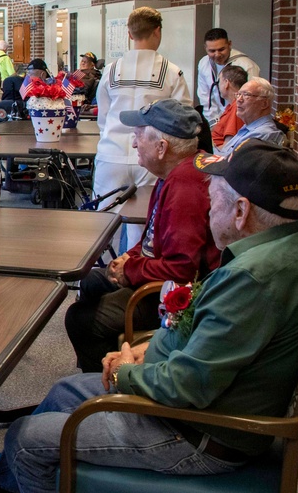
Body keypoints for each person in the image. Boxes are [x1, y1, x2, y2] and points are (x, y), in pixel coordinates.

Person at [0, 139, 298, 493]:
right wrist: (149, 350)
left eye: (213, 201)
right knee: (66, 389)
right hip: (214, 408)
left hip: (201, 434)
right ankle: (1, 484)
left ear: (242, 211)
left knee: (25, 440)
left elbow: (188, 386)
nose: (208, 209)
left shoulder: (252, 280)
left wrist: (125, 371)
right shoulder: (292, 249)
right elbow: (212, 345)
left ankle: (10, 475)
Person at [65, 99, 220, 373]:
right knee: (90, 280)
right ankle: (108, 356)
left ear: (162, 148)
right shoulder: (175, 172)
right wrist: (130, 256)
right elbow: (154, 235)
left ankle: (105, 389)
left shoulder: (186, 187)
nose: (134, 143)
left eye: (138, 135)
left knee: (80, 319)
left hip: (176, 296)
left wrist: (132, 269)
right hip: (159, 277)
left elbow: (183, 268)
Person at [94, 7, 192, 250]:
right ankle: (133, 282)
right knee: (142, 230)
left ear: (129, 34)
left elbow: (103, 116)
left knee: (102, 229)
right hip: (152, 158)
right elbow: (182, 121)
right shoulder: (171, 72)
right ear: (158, 32)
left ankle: (94, 282)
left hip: (111, 154)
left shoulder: (111, 70)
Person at [196, 27, 260, 127]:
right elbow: (205, 96)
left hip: (241, 121)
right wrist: (214, 124)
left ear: (229, 44)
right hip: (216, 122)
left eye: (221, 49)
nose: (217, 55)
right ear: (205, 48)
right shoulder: (204, 63)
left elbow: (253, 101)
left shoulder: (247, 66)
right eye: (212, 51)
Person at [217, 78, 285, 156]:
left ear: (264, 104)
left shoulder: (262, 134)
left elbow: (229, 164)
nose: (239, 100)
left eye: (246, 95)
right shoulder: (249, 126)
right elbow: (225, 154)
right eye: (238, 94)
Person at [210, 64, 249, 151]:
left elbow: (228, 148)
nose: (218, 86)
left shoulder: (237, 108)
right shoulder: (232, 106)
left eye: (219, 82)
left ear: (226, 83)